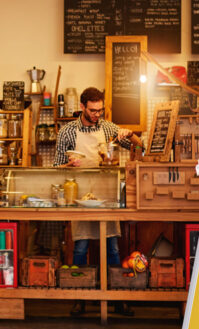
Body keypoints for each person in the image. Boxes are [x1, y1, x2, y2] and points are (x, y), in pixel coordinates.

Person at [54, 87, 143, 316]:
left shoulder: (107, 128)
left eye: (100, 110)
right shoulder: (68, 132)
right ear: (82, 107)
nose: (97, 115)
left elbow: (139, 146)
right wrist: (68, 166)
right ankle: (80, 298)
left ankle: (116, 299)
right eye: (93, 110)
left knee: (112, 247)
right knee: (81, 246)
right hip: (79, 195)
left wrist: (129, 133)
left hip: (106, 195)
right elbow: (54, 168)